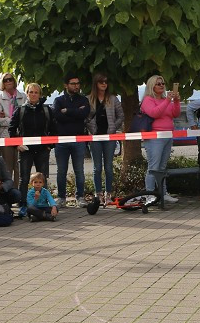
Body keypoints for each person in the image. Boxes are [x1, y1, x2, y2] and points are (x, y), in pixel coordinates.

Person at [10, 83, 55, 216]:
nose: (33, 94)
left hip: (42, 150)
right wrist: (17, 145)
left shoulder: (47, 110)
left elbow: (54, 129)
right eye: (31, 92)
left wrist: (49, 146)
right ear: (27, 93)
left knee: (43, 178)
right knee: (24, 179)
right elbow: (12, 129)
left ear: (39, 94)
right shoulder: (20, 110)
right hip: (26, 150)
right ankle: (23, 204)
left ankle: (43, 203)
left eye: (36, 92)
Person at [140, 74, 181, 202]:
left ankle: (163, 193)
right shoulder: (147, 100)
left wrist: (176, 101)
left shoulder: (165, 99)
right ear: (152, 86)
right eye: (159, 84)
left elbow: (175, 114)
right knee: (154, 167)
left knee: (162, 167)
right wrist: (167, 101)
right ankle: (150, 194)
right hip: (154, 137)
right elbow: (154, 113)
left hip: (168, 135)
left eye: (163, 83)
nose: (162, 86)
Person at [53, 73, 91, 207]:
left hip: (79, 139)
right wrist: (75, 112)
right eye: (73, 83)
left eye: (78, 83)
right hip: (61, 140)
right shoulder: (58, 100)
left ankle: (80, 197)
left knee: (79, 170)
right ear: (66, 85)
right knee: (61, 170)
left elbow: (84, 114)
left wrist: (67, 111)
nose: (76, 86)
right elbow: (57, 116)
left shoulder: (83, 100)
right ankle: (61, 198)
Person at [87, 72, 124, 203]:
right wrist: (91, 128)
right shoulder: (89, 99)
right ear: (95, 84)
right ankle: (98, 194)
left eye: (106, 82)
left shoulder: (113, 99)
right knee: (97, 167)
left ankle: (109, 193)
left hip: (110, 137)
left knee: (108, 166)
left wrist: (114, 127)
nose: (104, 84)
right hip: (95, 137)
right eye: (101, 82)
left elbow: (121, 116)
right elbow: (85, 118)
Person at [0, 73, 26, 188]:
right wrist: (13, 121)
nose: (8, 82)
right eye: (5, 80)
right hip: (5, 136)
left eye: (10, 79)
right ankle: (8, 192)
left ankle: (18, 192)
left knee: (20, 166)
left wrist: (7, 119)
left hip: (20, 135)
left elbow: (25, 116)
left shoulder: (23, 96)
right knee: (7, 167)